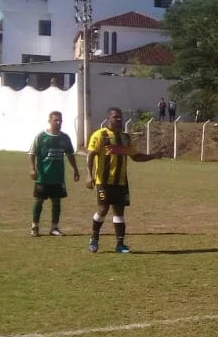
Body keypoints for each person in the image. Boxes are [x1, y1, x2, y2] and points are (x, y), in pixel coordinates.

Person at [85, 106, 160, 253]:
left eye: (120, 117)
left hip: (121, 182)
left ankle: (120, 244)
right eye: (115, 117)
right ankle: (94, 238)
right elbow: (90, 155)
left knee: (119, 211)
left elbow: (135, 157)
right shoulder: (99, 135)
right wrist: (89, 174)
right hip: (103, 182)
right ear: (108, 118)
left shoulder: (125, 138)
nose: (118, 120)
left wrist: (153, 155)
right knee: (103, 208)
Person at [28, 110, 79, 236]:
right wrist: (32, 168)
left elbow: (70, 154)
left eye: (60, 120)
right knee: (39, 200)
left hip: (58, 177)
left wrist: (75, 169)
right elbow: (32, 153)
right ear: (49, 121)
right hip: (43, 176)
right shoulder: (41, 136)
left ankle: (54, 227)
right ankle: (35, 226)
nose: (58, 122)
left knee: (56, 201)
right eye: (55, 120)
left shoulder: (65, 138)